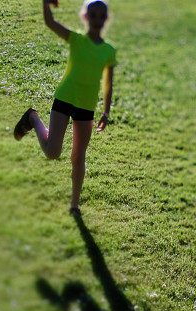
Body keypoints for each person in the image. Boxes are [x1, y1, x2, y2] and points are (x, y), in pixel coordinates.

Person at [13, 0, 117, 214]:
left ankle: (74, 205)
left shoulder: (109, 51)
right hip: (66, 97)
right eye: (93, 14)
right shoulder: (77, 40)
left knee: (78, 156)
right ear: (85, 17)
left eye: (101, 16)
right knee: (52, 152)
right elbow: (50, 22)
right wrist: (45, 2)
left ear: (105, 19)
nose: (96, 20)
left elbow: (108, 84)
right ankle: (33, 118)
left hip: (86, 106)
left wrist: (106, 111)